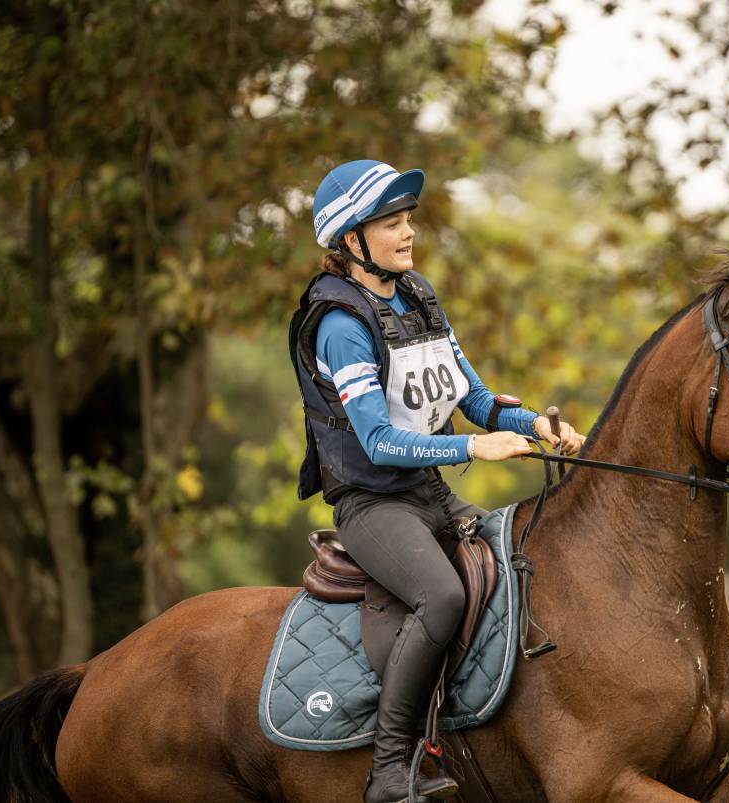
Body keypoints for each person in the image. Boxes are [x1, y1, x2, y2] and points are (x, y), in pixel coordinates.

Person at [290, 160, 584, 803]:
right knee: (443, 598)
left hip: (429, 492)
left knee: (520, 563)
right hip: (372, 504)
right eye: (390, 223)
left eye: (408, 220)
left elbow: (473, 397)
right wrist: (474, 447)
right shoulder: (341, 325)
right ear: (350, 241)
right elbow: (378, 441)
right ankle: (391, 769)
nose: (407, 233)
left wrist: (537, 424)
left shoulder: (418, 296)